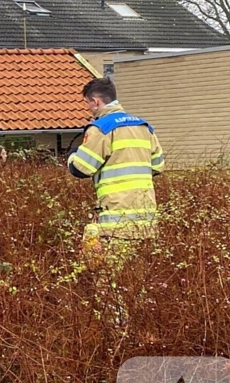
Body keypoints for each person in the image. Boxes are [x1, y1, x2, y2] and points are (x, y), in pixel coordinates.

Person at [68, 78, 165, 258]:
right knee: (140, 279)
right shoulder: (144, 127)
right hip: (146, 222)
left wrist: (72, 155)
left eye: (88, 103)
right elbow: (158, 166)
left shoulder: (101, 129)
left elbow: (81, 169)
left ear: (96, 102)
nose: (88, 108)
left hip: (115, 222)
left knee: (110, 277)